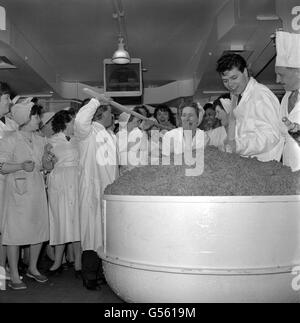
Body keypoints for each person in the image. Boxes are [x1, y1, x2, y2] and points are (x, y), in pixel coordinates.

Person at [0, 100, 56, 290]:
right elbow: (2, 166)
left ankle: (33, 268)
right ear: (24, 118)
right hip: (16, 191)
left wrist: (48, 160)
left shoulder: (41, 140)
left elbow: (46, 167)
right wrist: (20, 166)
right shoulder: (9, 139)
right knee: (14, 234)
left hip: (37, 190)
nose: (39, 119)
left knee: (38, 230)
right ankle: (14, 274)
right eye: (35, 115)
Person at [74, 96, 118, 290]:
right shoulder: (87, 132)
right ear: (101, 113)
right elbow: (80, 120)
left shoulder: (109, 134)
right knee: (92, 232)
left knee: (105, 234)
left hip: (108, 190)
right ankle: (89, 275)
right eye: (111, 112)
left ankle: (100, 273)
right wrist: (95, 100)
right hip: (92, 189)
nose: (113, 115)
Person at [216, 53, 284, 161]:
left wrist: (238, 146)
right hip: (250, 165)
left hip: (265, 167)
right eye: (225, 80)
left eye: (234, 77)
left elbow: (270, 136)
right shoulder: (238, 97)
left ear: (245, 72)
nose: (230, 84)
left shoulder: (260, 95)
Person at [47, 110, 81, 276]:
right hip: (59, 181)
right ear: (66, 122)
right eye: (73, 121)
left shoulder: (79, 140)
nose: (75, 124)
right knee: (60, 218)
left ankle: (78, 262)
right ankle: (57, 261)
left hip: (76, 180)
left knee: (77, 219)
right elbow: (46, 164)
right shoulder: (52, 140)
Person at [0, 82, 18, 279]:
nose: (9, 103)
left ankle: (2, 275)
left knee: (3, 231)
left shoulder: (10, 125)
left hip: (6, 182)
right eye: (6, 98)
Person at [275, 30, 300, 171]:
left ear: (298, 72)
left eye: (281, 75)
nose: (277, 80)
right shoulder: (286, 97)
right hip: (289, 171)